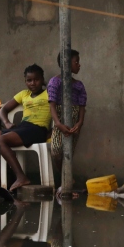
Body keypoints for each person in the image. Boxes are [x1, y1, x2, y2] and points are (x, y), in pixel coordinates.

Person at [0, 64, 51, 191]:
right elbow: (3, 109)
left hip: (37, 129)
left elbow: (59, 111)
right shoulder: (24, 94)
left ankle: (21, 177)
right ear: (25, 81)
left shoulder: (49, 93)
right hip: (23, 128)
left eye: (36, 79)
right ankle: (0, 176)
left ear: (42, 79)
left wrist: (53, 131)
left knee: (0, 140)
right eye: (29, 80)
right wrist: (6, 122)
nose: (33, 83)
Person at [47, 50, 87, 192]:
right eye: (76, 62)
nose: (79, 65)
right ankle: (67, 178)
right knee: (56, 151)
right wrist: (58, 124)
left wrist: (80, 122)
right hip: (59, 122)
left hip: (74, 123)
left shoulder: (79, 85)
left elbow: (82, 106)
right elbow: (51, 105)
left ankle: (66, 184)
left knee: (68, 152)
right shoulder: (54, 82)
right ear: (66, 64)